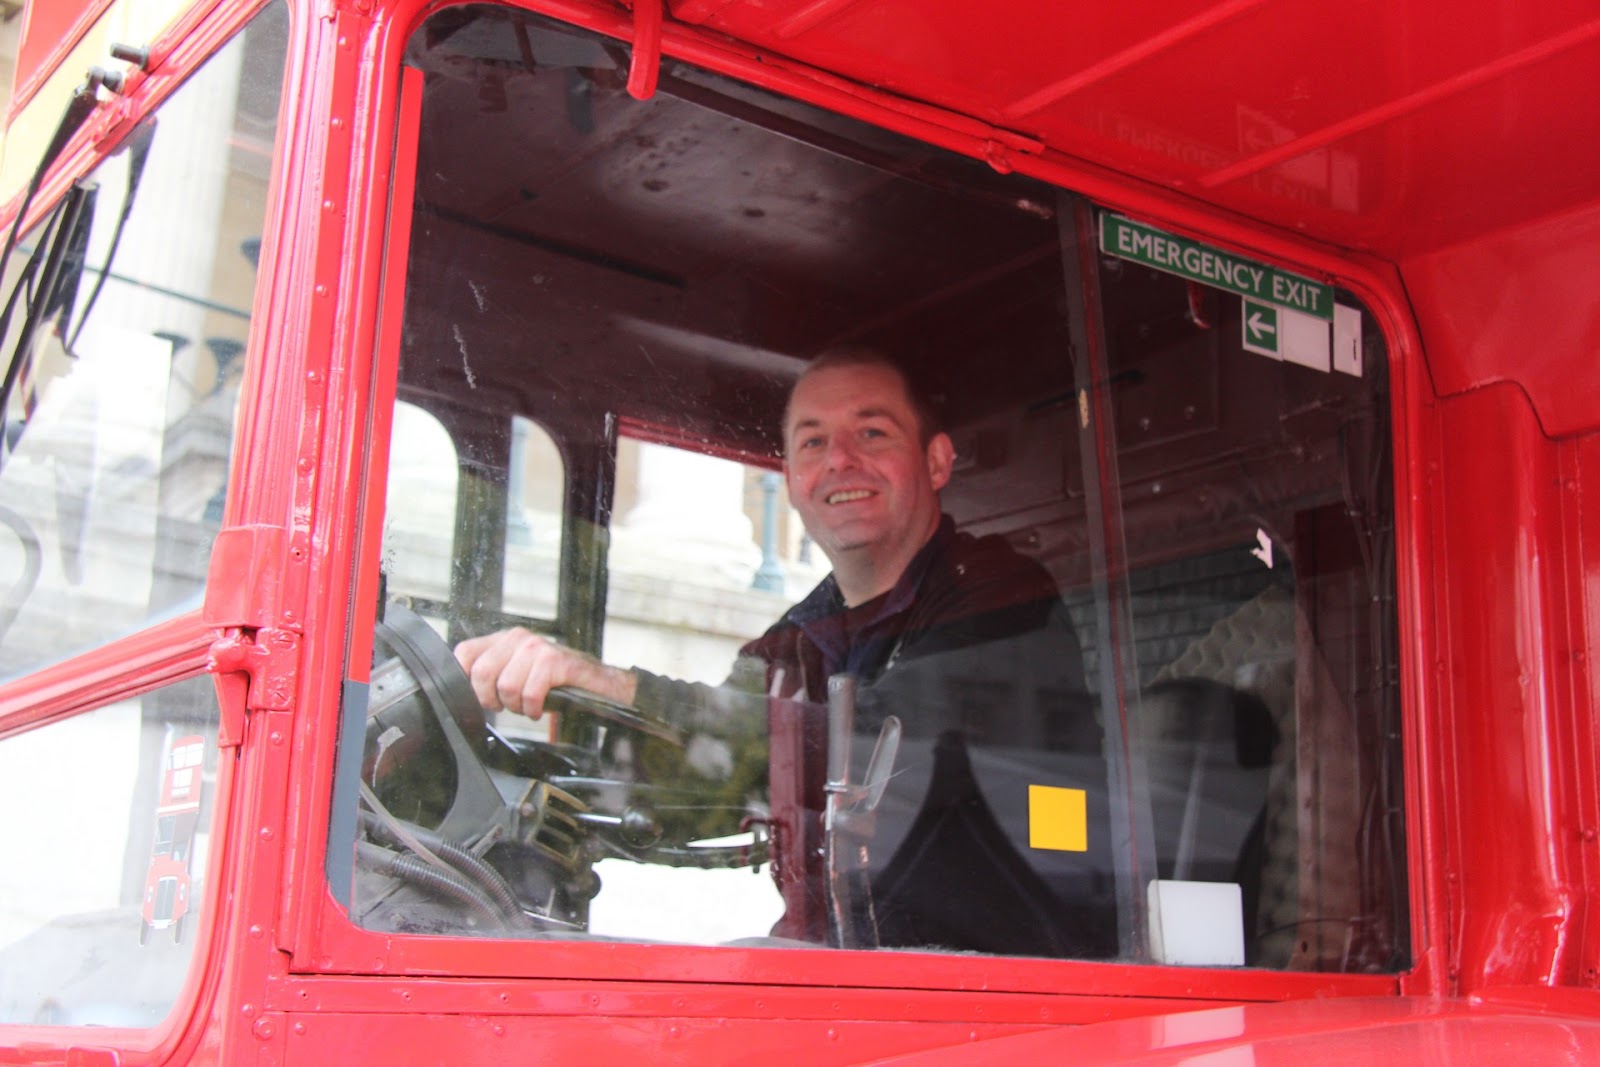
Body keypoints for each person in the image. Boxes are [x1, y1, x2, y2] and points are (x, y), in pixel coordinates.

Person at [455, 348, 1110, 955]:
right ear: (791, 478)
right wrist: (509, 779)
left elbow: (873, 748)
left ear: (936, 462)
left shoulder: (1001, 600)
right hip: (854, 973)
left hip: (1008, 981)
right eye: (813, 442)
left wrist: (611, 682)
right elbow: (706, 774)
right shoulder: (796, 640)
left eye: (872, 432)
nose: (840, 460)